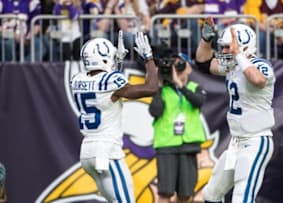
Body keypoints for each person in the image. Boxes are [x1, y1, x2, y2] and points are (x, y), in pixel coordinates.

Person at [70, 31, 158, 202]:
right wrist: (149, 58)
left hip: (87, 152)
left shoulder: (77, 79)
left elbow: (105, 90)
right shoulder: (110, 81)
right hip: (107, 151)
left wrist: (117, 64)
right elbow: (151, 88)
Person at [195, 17, 275, 203]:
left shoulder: (260, 65)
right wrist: (206, 40)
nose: (223, 51)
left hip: (256, 140)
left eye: (227, 47)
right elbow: (204, 63)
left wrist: (238, 55)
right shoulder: (232, 65)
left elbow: (258, 80)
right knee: (210, 195)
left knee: (242, 198)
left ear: (243, 46)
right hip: (237, 142)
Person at [149, 48, 207, 203]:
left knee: (185, 194)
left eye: (180, 66)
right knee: (165, 192)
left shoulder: (195, 88)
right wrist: (159, 86)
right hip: (167, 146)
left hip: (188, 146)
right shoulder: (162, 90)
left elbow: (198, 102)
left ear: (188, 68)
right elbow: (155, 111)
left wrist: (180, 86)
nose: (176, 70)